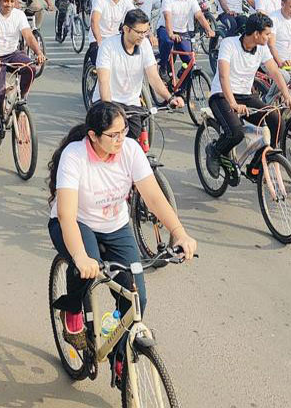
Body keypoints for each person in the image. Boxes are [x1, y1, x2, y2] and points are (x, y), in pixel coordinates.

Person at [46, 102, 197, 382]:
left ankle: (120, 359)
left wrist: (179, 232)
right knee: (87, 266)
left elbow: (152, 195)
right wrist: (80, 257)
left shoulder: (129, 150)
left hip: (115, 226)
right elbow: (67, 214)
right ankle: (72, 311)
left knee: (136, 298)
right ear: (92, 136)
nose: (120, 139)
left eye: (123, 131)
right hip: (76, 223)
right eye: (113, 134)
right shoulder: (75, 156)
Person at [205, 13, 291, 177]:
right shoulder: (229, 44)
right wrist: (233, 104)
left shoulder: (261, 49)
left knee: (276, 120)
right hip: (222, 95)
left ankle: (256, 165)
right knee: (236, 133)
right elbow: (223, 76)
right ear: (256, 34)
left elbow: (275, 72)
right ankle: (215, 151)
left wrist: (287, 95)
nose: (269, 38)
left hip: (246, 96)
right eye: (267, 34)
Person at [97, 9, 184, 137]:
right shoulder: (108, 46)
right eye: (139, 32)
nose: (143, 36)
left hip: (131, 103)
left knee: (134, 137)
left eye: (146, 32)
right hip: (108, 102)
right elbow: (103, 81)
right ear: (126, 29)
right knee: (109, 138)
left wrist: (170, 98)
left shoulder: (145, 45)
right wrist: (108, 108)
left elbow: (153, 77)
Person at [0, 0, 47, 152]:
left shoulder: (19, 15)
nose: (9, 4)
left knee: (30, 68)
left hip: (12, 54)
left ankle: (20, 99)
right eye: (5, 1)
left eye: (12, 1)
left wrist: (38, 52)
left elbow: (28, 36)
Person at [157, 0, 216, 73]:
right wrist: (171, 34)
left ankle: (183, 86)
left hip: (182, 31)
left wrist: (209, 29)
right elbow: (168, 17)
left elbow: (199, 15)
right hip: (166, 29)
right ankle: (163, 67)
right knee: (168, 42)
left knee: (190, 63)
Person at [87, 0, 135, 70]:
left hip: (115, 38)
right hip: (98, 39)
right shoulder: (101, 0)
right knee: (104, 67)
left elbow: (135, 16)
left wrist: (148, 33)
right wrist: (100, 42)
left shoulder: (125, 1)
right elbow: (94, 21)